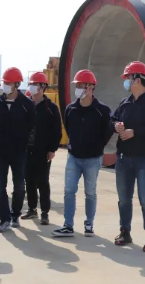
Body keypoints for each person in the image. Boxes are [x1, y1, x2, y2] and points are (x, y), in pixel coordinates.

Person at [112, 61, 145, 252]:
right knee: (124, 199)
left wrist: (135, 132)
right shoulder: (125, 103)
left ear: (138, 79)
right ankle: (124, 231)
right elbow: (114, 118)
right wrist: (116, 125)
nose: (126, 81)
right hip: (123, 158)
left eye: (128, 77)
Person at [52, 69, 112, 238]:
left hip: (93, 159)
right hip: (74, 157)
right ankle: (68, 225)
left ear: (90, 87)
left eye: (81, 85)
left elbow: (107, 133)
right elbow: (69, 128)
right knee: (69, 191)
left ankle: (89, 224)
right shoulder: (71, 109)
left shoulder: (102, 110)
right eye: (76, 85)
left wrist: (96, 148)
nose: (77, 89)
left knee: (90, 192)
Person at [0, 67, 36, 233]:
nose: (5, 86)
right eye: (5, 83)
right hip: (0, 152)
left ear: (17, 85)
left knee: (19, 187)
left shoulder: (27, 105)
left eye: (9, 83)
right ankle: (4, 219)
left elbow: (33, 127)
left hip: (19, 152)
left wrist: (27, 145)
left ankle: (15, 213)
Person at [21, 72, 62, 225]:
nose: (32, 87)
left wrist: (52, 149)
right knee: (29, 180)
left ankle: (45, 211)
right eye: (31, 84)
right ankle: (32, 208)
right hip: (27, 150)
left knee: (42, 181)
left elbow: (57, 131)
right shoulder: (26, 105)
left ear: (43, 87)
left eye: (35, 84)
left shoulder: (51, 108)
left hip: (43, 151)